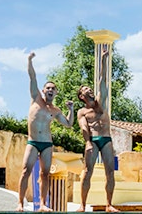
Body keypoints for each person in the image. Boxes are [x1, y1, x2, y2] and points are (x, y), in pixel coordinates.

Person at [17, 53, 75, 211]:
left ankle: (43, 204)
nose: (50, 90)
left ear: (56, 93)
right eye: (48, 88)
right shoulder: (36, 98)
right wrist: (29, 60)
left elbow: (69, 124)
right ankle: (20, 203)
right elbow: (32, 77)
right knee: (25, 170)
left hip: (47, 144)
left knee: (45, 174)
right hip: (33, 142)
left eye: (53, 89)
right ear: (43, 90)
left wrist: (71, 109)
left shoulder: (55, 110)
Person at [76, 47, 117, 212]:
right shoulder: (82, 112)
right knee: (87, 171)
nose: (89, 90)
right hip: (92, 140)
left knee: (110, 172)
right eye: (86, 89)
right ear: (81, 96)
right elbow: (83, 127)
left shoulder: (101, 102)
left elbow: (102, 79)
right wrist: (88, 143)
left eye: (90, 88)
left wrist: (103, 59)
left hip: (106, 139)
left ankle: (109, 204)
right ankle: (82, 205)